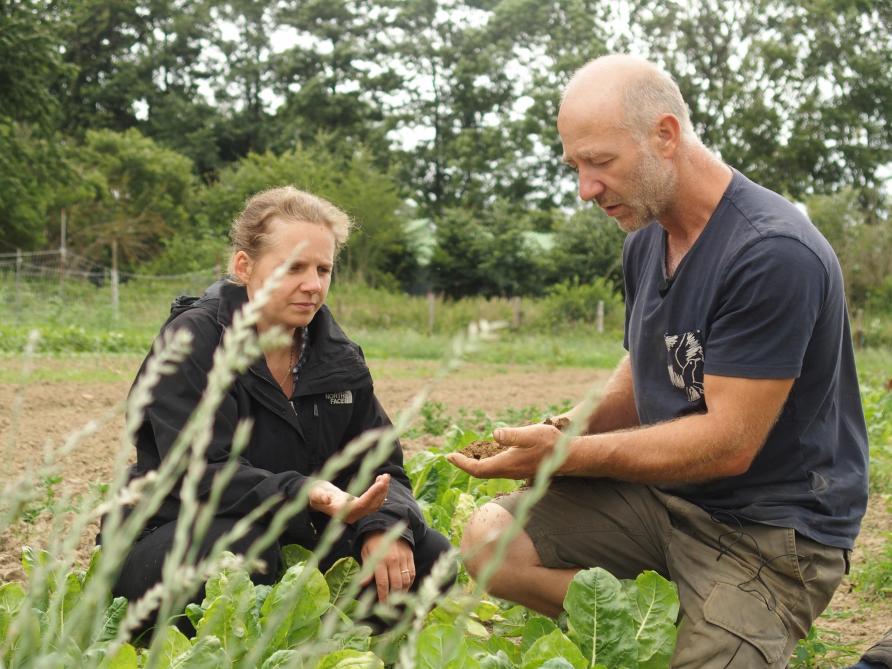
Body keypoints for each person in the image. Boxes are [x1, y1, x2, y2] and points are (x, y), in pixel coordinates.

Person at [450, 54, 869, 667]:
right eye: (575, 166)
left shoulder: (772, 252)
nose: (585, 189)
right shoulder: (647, 236)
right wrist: (569, 428)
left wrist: (567, 457)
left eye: (599, 163)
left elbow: (729, 444)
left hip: (770, 532)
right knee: (490, 542)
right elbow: (642, 365)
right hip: (665, 500)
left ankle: (723, 624)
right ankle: (677, 621)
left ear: (665, 136)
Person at [102, 186, 450, 627]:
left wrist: (385, 524)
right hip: (173, 535)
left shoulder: (337, 355)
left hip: (294, 532)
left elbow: (383, 468)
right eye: (294, 267)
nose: (312, 285)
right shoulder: (195, 343)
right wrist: (302, 492)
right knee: (241, 550)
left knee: (430, 555)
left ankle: (328, 646)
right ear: (244, 266)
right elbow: (198, 473)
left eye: (324, 269)